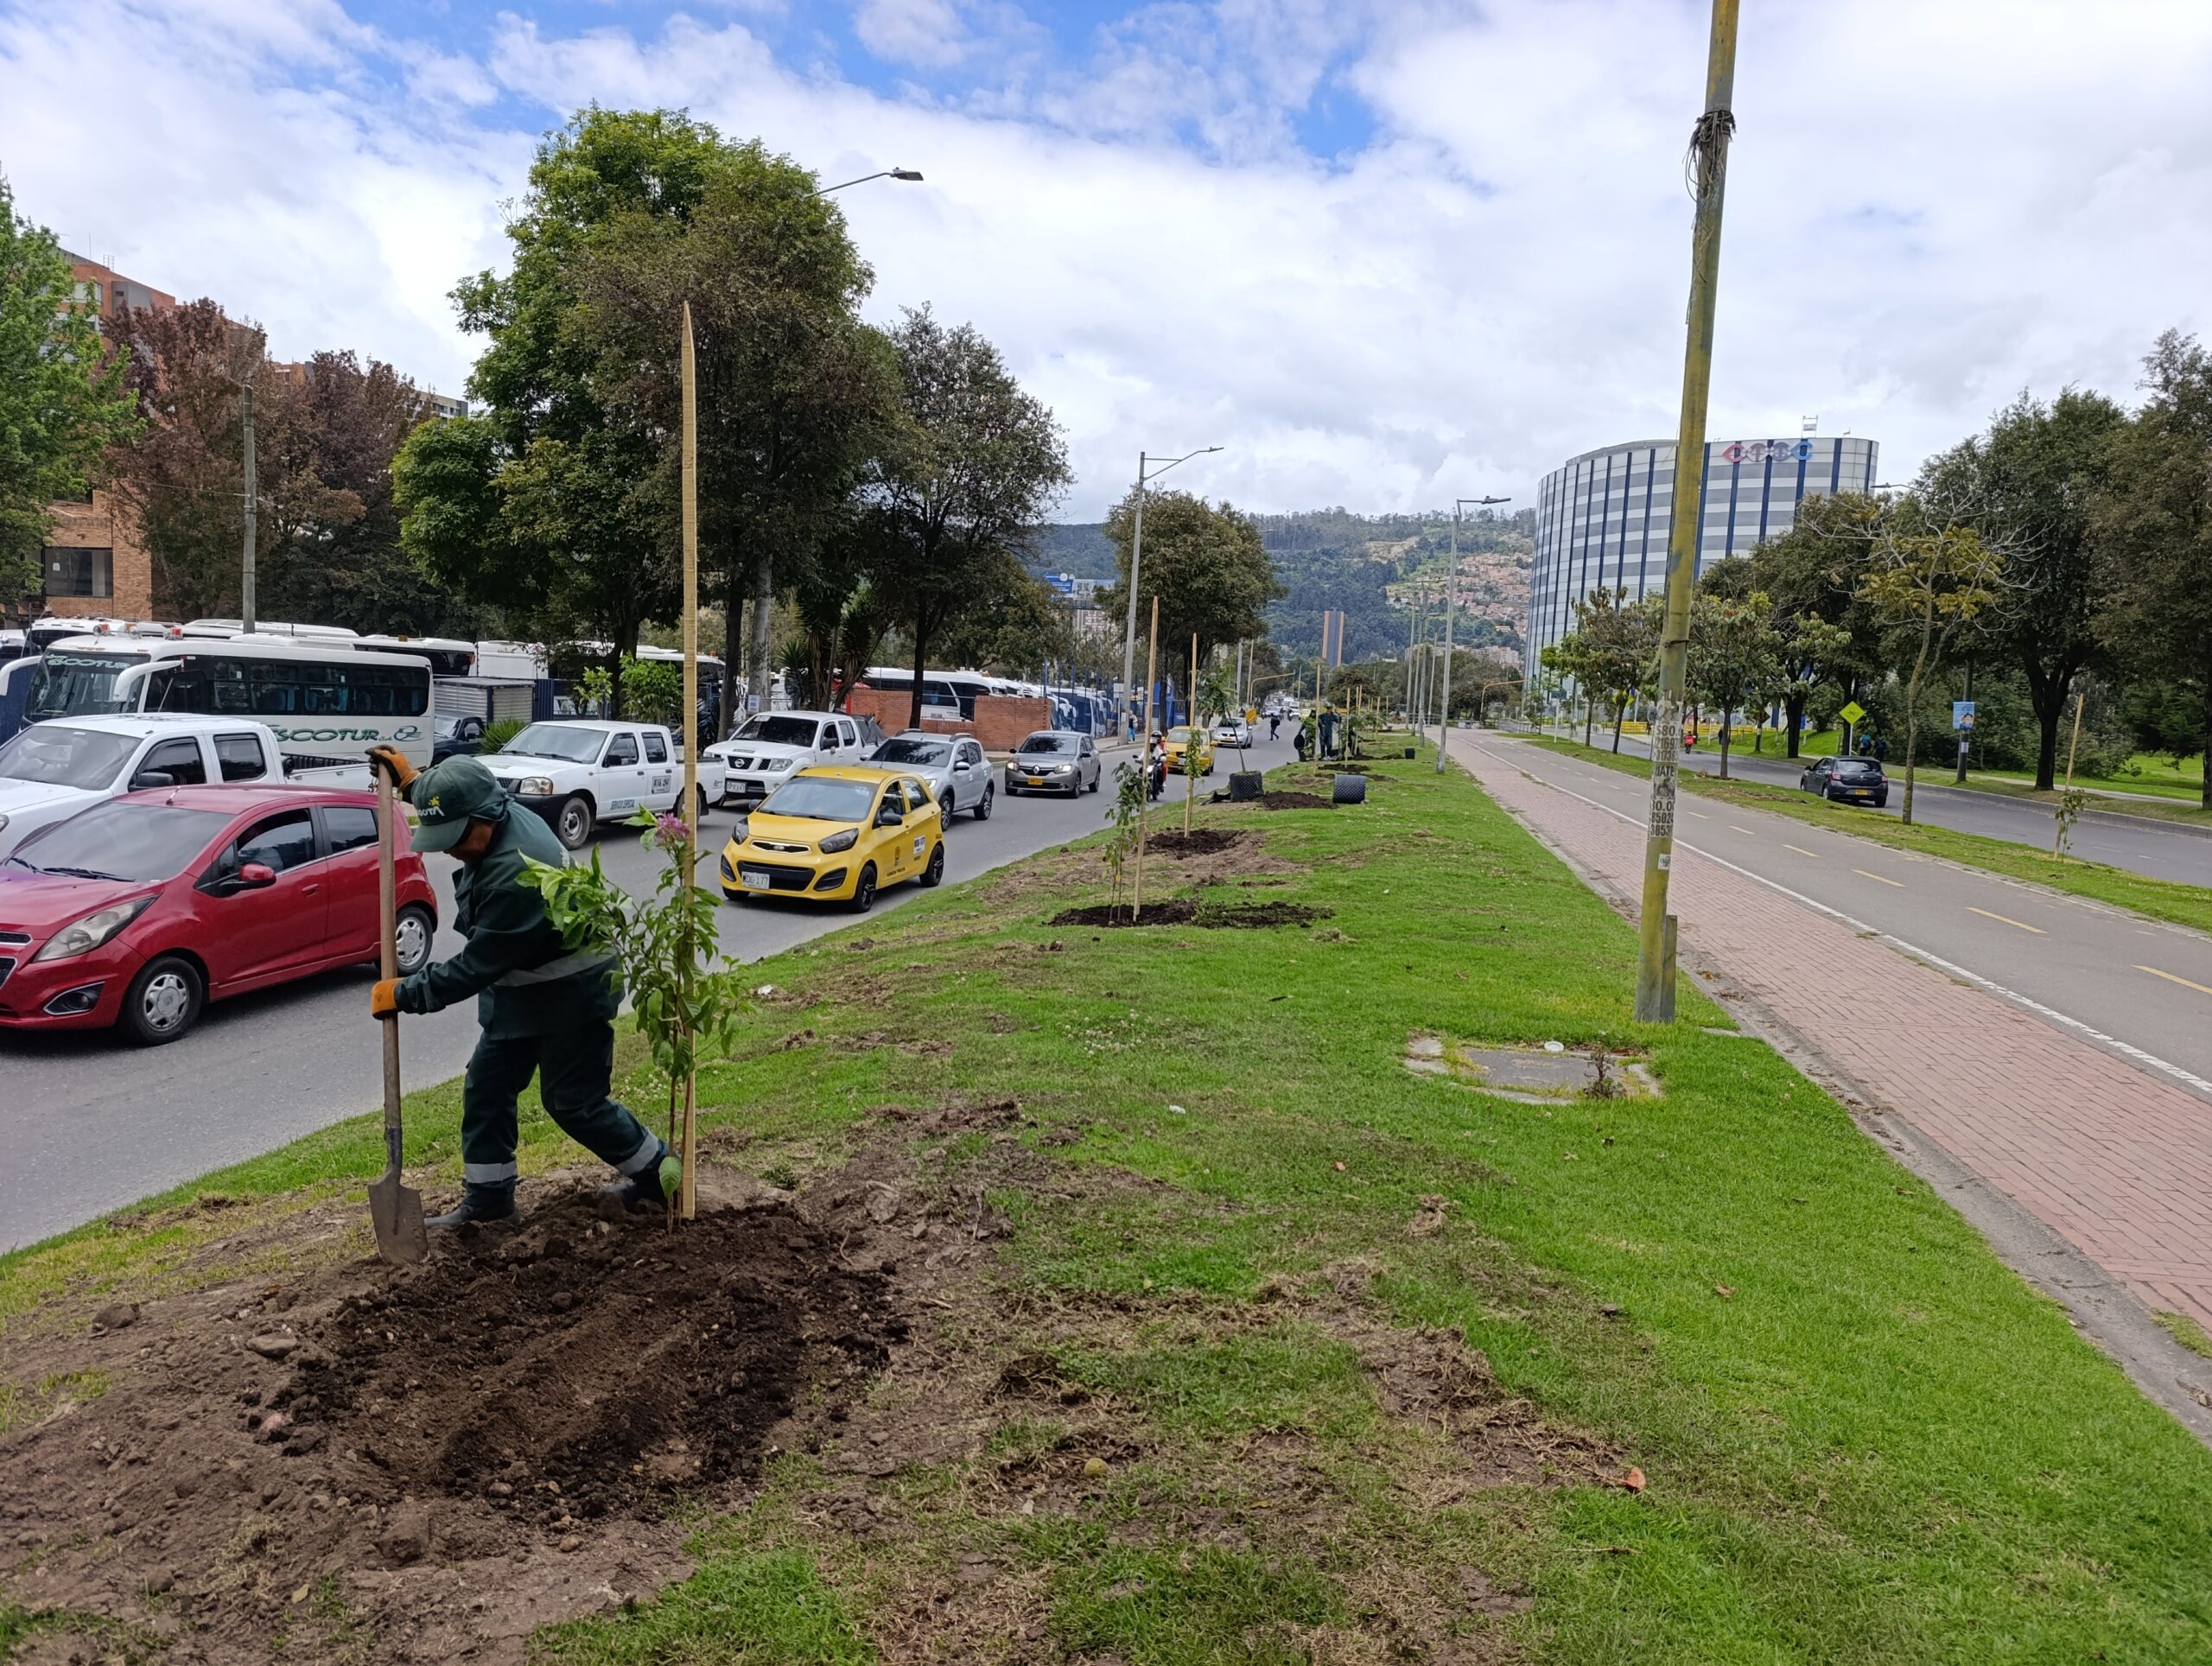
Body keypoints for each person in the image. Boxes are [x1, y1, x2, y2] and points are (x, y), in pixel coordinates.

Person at [366, 749, 669, 1228]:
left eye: (457, 836)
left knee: (575, 1102)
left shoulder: (516, 877)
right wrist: (416, 786)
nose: (449, 849)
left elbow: (476, 966)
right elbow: (462, 798)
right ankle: (489, 1203)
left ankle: (661, 1177)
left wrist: (405, 994)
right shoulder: (496, 809)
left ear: (486, 818)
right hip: (526, 990)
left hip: (573, 992)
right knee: (488, 1087)